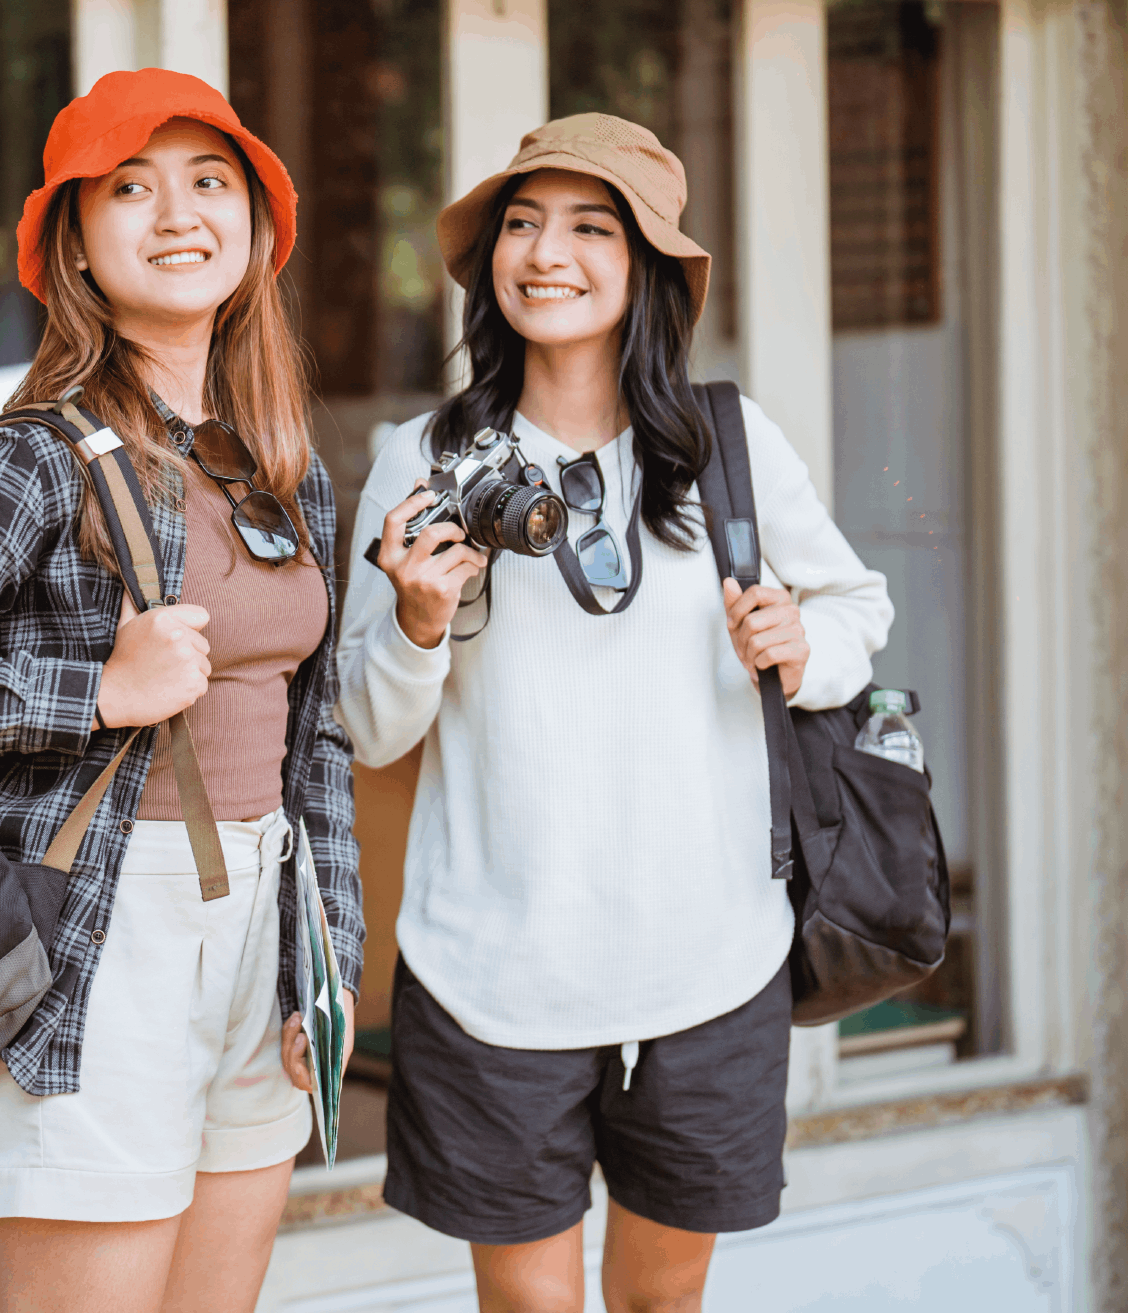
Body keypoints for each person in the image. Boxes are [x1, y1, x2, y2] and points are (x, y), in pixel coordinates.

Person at [0, 69, 362, 1313]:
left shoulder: (281, 473)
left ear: (257, 229)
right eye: (129, 189)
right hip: (105, 939)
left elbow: (315, 745)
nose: (177, 214)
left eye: (211, 182)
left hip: (263, 936)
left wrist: (330, 963)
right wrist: (94, 688)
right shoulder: (32, 456)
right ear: (76, 250)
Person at [336, 115, 893, 1312]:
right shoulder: (422, 459)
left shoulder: (727, 445)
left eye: (591, 227)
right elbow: (369, 729)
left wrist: (804, 648)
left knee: (660, 1302)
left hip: (709, 961)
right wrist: (419, 622)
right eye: (521, 224)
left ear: (646, 267)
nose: (547, 252)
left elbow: (857, 606)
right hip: (491, 967)